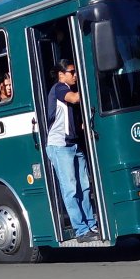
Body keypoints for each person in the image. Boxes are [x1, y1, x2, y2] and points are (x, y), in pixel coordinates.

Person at [46, 59, 98, 243]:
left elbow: (71, 119)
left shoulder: (65, 90)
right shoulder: (60, 88)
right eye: (72, 72)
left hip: (74, 145)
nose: (75, 75)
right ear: (62, 75)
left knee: (84, 186)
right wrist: (89, 82)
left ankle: (91, 224)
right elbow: (75, 98)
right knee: (70, 189)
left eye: (76, 72)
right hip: (60, 146)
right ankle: (81, 230)